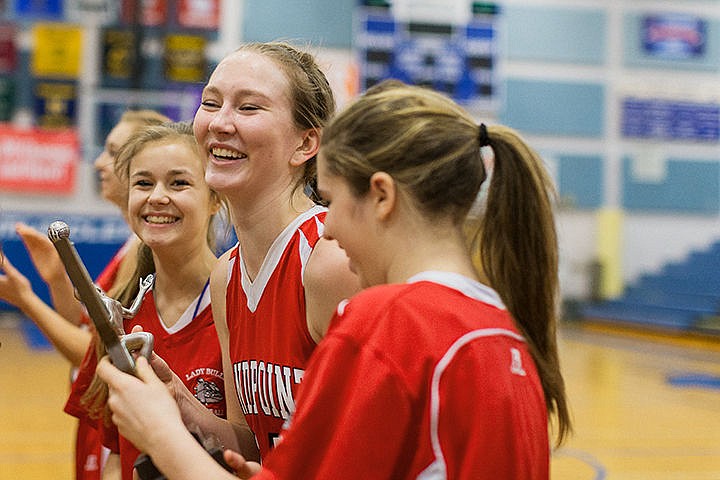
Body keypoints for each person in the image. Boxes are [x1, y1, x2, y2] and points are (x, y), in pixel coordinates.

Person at [97, 80, 572, 479]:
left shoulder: (388, 320)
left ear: (381, 196)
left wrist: (159, 434)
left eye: (333, 200)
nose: (327, 226)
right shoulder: (499, 324)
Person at [100, 40, 360, 466]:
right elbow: (256, 444)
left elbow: (373, 450)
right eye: (211, 102)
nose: (219, 123)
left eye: (248, 107)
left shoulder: (329, 259)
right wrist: (181, 405)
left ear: (305, 142)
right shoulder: (227, 275)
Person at [0, 109, 169, 480]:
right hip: (103, 414)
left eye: (112, 151)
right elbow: (90, 327)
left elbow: (98, 350)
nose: (98, 162)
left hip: (119, 420)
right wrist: (58, 280)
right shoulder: (130, 245)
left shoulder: (148, 252)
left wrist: (26, 300)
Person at [69, 121, 228, 480]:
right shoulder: (119, 311)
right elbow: (114, 453)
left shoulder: (241, 303)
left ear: (216, 197)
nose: (157, 196)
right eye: (143, 183)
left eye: (179, 183)